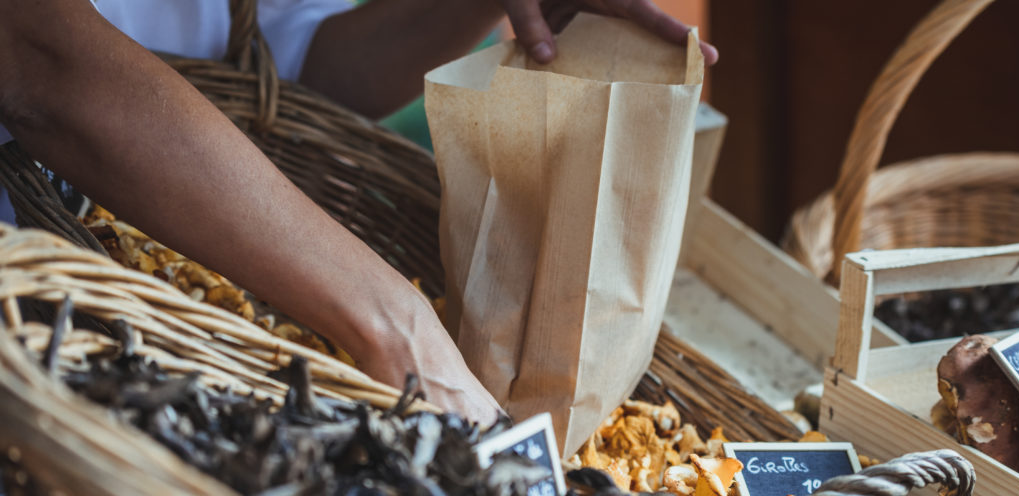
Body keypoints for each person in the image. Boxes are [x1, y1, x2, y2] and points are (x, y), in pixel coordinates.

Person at [0, 0, 716, 426]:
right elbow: (38, 60)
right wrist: (394, 323)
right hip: (30, 307)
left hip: (195, 223)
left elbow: (297, 73)